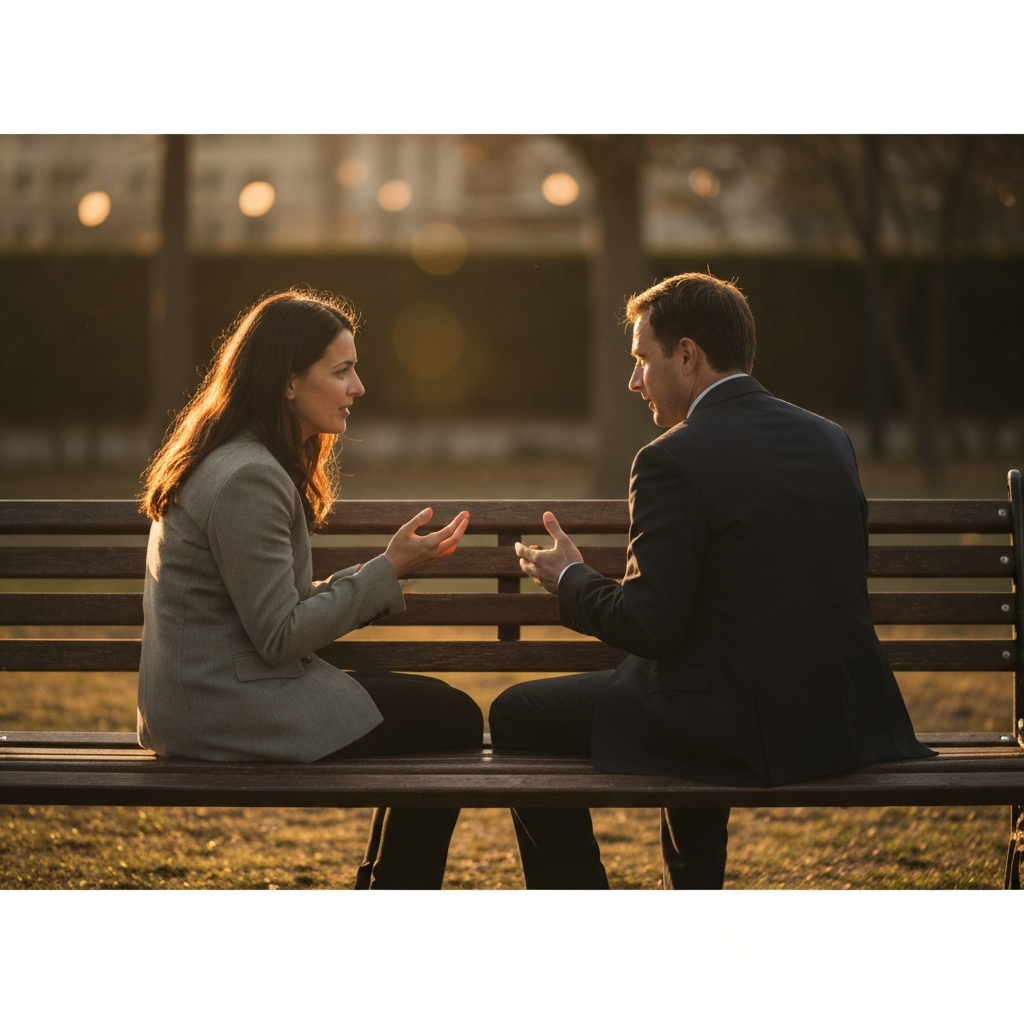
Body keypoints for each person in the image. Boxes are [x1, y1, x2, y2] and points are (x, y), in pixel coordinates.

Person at [491, 272, 934, 889]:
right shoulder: (829, 438)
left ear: (687, 355)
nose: (634, 380)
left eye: (642, 359)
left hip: (736, 726)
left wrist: (569, 577)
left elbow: (649, 626)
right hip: (842, 720)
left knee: (515, 714)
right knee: (686, 682)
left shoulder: (670, 458)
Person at [138, 289, 483, 889]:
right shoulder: (248, 476)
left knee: (437, 708)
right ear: (289, 382)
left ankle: (389, 889)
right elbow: (280, 635)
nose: (359, 387)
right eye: (342, 371)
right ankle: (398, 895)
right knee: (453, 718)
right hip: (225, 710)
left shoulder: (234, 458)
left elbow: (272, 606)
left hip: (208, 700)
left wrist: (387, 567)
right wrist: (387, 571)